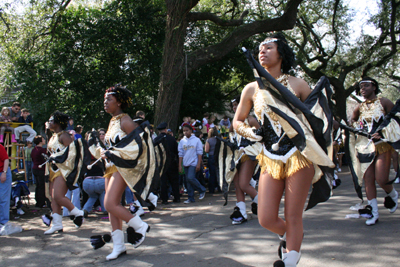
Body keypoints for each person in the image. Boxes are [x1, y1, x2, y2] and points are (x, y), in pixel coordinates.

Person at [233, 34, 334, 266]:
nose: (262, 51)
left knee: (292, 215)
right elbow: (237, 122)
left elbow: (317, 118)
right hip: (269, 157)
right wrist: (251, 132)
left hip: (300, 156)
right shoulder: (250, 89)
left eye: (269, 47)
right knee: (266, 218)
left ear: (281, 54)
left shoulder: (298, 84)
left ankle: (290, 259)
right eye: (260, 48)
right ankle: (290, 236)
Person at [100, 84, 150, 260]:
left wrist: (116, 154)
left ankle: (139, 226)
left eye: (109, 99)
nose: (105, 102)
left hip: (122, 168)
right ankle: (118, 246)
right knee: (112, 209)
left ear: (119, 102)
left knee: (110, 203)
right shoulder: (113, 120)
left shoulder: (125, 121)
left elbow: (140, 145)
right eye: (105, 99)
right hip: (109, 167)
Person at [350, 77, 398, 225]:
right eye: (360, 87)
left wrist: (383, 132)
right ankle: (374, 213)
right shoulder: (359, 107)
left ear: (374, 87)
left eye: (365, 86)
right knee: (368, 179)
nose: (362, 89)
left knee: (382, 178)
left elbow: (395, 119)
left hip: (382, 145)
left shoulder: (384, 102)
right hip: (365, 146)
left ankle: (393, 194)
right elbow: (352, 121)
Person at [44, 111, 85, 234]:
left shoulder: (64, 136)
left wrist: (57, 158)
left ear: (57, 123)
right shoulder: (53, 136)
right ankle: (57, 224)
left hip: (63, 171)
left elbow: (73, 153)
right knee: (53, 199)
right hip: (52, 170)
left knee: (58, 196)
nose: (49, 122)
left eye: (51, 120)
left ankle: (77, 212)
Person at [229, 96, 260, 225]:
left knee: (243, 184)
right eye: (234, 105)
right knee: (237, 185)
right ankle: (241, 212)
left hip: (250, 154)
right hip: (236, 155)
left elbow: (261, 136)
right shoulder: (234, 121)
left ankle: (262, 203)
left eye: (237, 104)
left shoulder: (251, 120)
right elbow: (230, 134)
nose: (235, 107)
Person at [178, 124, 206, 204]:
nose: (185, 132)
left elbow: (199, 153)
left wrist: (198, 164)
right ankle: (191, 198)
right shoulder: (182, 141)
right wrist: (180, 165)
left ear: (191, 131)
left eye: (187, 130)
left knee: (190, 178)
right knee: (188, 181)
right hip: (185, 163)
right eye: (184, 131)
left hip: (193, 163)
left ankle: (202, 189)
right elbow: (181, 154)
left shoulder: (196, 140)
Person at [155, 122, 180, 204]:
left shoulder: (156, 139)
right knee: (174, 181)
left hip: (162, 163)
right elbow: (176, 151)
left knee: (163, 182)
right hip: (172, 162)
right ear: (166, 129)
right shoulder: (171, 139)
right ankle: (177, 197)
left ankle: (164, 199)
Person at [31, 135, 49, 208]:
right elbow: (47, 158)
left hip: (35, 168)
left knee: (38, 186)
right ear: (40, 141)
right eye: (43, 139)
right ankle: (42, 202)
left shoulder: (34, 149)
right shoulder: (42, 150)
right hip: (41, 169)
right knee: (42, 186)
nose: (44, 140)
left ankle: (38, 201)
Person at [204, 127, 220, 194]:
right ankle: (219, 187)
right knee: (219, 173)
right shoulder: (219, 140)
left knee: (212, 173)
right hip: (219, 157)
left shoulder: (209, 140)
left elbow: (206, 150)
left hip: (212, 157)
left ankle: (211, 189)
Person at [0, 143, 11, 228]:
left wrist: (4, 173)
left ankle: (4, 221)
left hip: (3, 172)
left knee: (3, 197)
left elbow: (6, 160)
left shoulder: (0, 147)